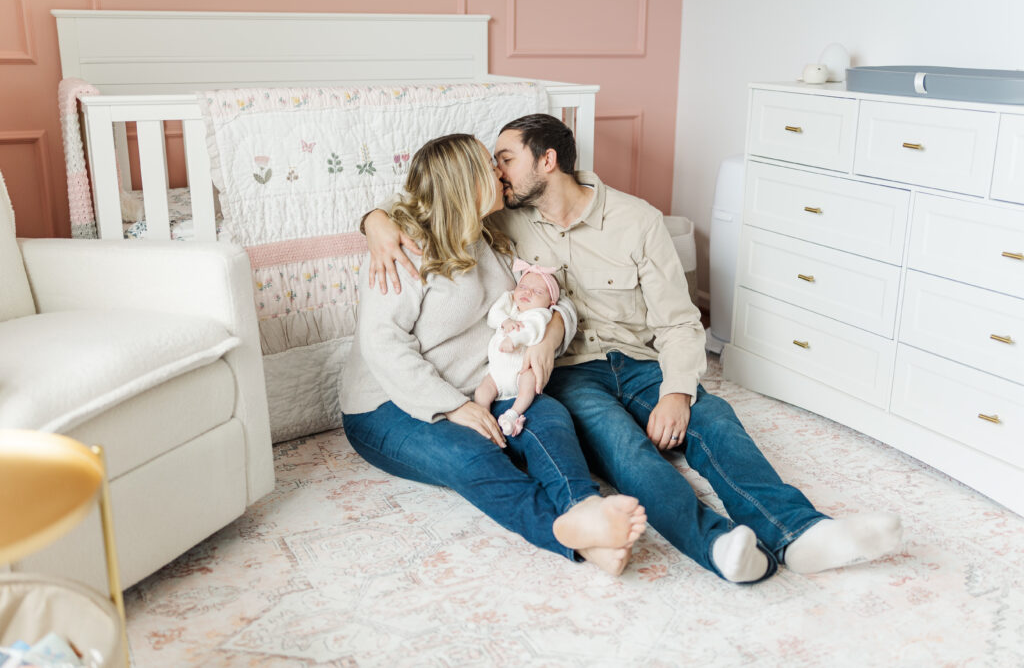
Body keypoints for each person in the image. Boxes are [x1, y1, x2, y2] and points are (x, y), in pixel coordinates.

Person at [361, 115, 903, 584]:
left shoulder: (634, 220)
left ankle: (801, 533)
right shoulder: (500, 218)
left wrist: (678, 391)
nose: (498, 173)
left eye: (505, 160)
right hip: (571, 371)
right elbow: (434, 198)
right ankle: (716, 545)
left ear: (547, 161)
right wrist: (375, 223)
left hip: (638, 359)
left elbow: (676, 320)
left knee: (714, 418)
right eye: (492, 165)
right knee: (625, 450)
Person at [339, 133, 647, 576]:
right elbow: (382, 344)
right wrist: (453, 406)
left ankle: (584, 509)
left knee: (549, 416)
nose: (501, 172)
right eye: (490, 166)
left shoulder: (492, 237)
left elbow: (548, 298)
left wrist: (549, 335)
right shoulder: (405, 249)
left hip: (480, 386)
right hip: (385, 404)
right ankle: (564, 534)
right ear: (465, 183)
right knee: (473, 454)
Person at [475, 261, 561, 436]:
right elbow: (493, 315)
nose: (527, 292)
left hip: (520, 372)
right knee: (481, 392)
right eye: (523, 287)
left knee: (530, 382)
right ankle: (483, 418)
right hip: (496, 374)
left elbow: (531, 331)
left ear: (550, 302)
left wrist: (514, 340)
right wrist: (505, 321)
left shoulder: (541, 314)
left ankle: (513, 414)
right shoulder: (510, 305)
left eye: (538, 292)